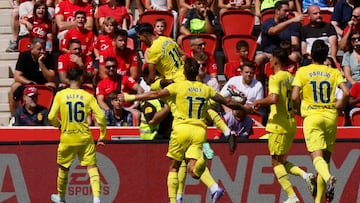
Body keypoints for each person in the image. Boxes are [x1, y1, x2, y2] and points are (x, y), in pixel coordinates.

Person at [120, 57, 246, 203]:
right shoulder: (205, 89)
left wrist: (130, 96)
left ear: (184, 72)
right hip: (199, 132)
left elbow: (154, 94)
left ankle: (174, 201)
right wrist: (245, 108)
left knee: (174, 167)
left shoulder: (178, 86)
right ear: (197, 72)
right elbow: (228, 102)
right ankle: (205, 162)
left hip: (181, 130)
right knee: (193, 171)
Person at [253, 47, 316, 203]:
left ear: (275, 61)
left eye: (271, 58)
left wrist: (259, 101)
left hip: (278, 125)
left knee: (275, 163)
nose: (269, 61)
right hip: (290, 124)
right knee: (280, 160)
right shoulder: (290, 76)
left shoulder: (276, 78)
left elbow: (274, 98)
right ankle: (305, 175)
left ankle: (292, 196)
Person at [292, 39, 349, 203]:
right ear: (326, 56)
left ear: (311, 55)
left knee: (317, 158)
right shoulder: (333, 72)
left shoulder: (303, 71)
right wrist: (338, 108)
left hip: (312, 116)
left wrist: (298, 109)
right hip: (330, 116)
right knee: (326, 160)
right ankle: (318, 201)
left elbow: (295, 96)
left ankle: (329, 177)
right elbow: (346, 92)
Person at [48, 67, 106, 203]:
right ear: (81, 78)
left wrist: (60, 125)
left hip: (67, 137)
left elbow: (51, 116)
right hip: (85, 137)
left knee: (63, 168)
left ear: (68, 79)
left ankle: (61, 197)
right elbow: (101, 117)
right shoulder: (88, 96)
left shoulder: (60, 95)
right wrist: (102, 135)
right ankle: (96, 198)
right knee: (91, 166)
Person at [255, 1, 303, 83]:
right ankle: (261, 80)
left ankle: (294, 81)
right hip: (270, 53)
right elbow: (273, 31)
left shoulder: (293, 25)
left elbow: (295, 43)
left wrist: (289, 48)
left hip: (286, 53)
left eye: (288, 11)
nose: (288, 13)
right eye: (285, 11)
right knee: (259, 58)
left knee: (295, 56)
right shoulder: (268, 22)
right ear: (277, 11)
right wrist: (290, 21)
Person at [9, 38, 56, 117]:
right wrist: (29, 83)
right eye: (39, 49)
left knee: (53, 85)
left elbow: (51, 78)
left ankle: (49, 116)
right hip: (28, 83)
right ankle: (14, 116)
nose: (42, 51)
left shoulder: (49, 57)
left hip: (43, 83)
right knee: (15, 86)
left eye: (44, 48)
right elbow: (17, 76)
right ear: (32, 49)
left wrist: (41, 63)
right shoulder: (24, 56)